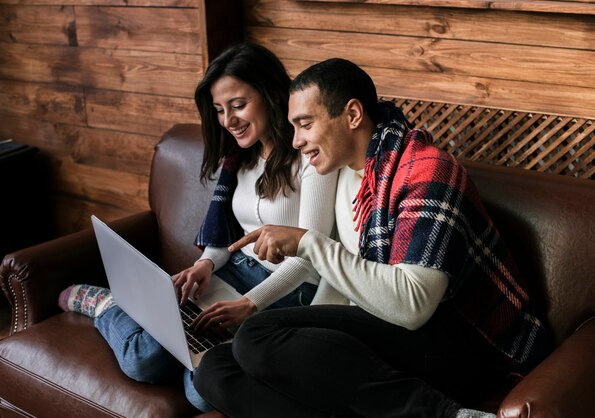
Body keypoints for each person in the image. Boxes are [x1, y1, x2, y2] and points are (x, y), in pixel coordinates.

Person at [192, 58, 553, 418]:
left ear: (351, 115)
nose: (297, 140)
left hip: (450, 343)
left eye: (305, 125)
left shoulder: (427, 172)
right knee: (214, 369)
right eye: (293, 127)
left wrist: (310, 244)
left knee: (256, 336)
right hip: (381, 327)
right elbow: (343, 281)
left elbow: (412, 307)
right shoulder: (344, 172)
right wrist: (305, 345)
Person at [57, 43, 337, 413]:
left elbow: (311, 258)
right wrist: (206, 263)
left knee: (200, 394)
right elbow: (227, 238)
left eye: (238, 105)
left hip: (288, 292)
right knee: (144, 358)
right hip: (233, 273)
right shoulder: (240, 157)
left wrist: (248, 305)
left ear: (271, 94)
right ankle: (106, 304)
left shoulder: (311, 156)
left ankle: (142, 324)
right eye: (220, 110)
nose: (228, 120)